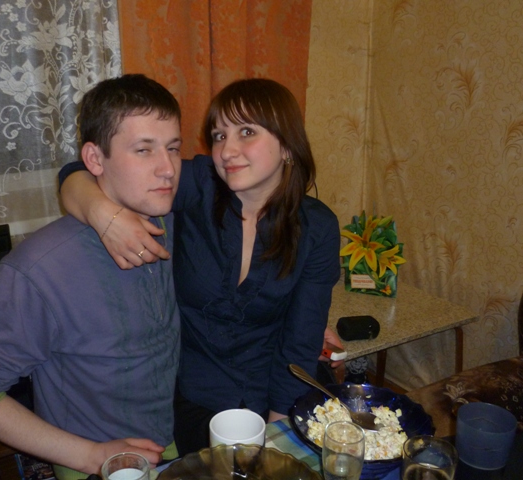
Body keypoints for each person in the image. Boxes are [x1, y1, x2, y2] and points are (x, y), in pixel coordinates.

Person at [59, 78, 342, 455]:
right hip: (196, 396)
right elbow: (77, 173)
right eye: (219, 135)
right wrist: (104, 216)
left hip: (279, 391)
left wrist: (277, 440)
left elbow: (300, 343)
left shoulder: (317, 227)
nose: (227, 151)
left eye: (246, 132)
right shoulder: (198, 185)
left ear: (287, 145)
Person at [0, 74, 183, 480]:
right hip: (95, 465)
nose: (167, 169)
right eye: (144, 150)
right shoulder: (37, 270)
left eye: (174, 148)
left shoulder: (167, 222)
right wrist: (92, 456)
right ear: (95, 159)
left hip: (168, 442)